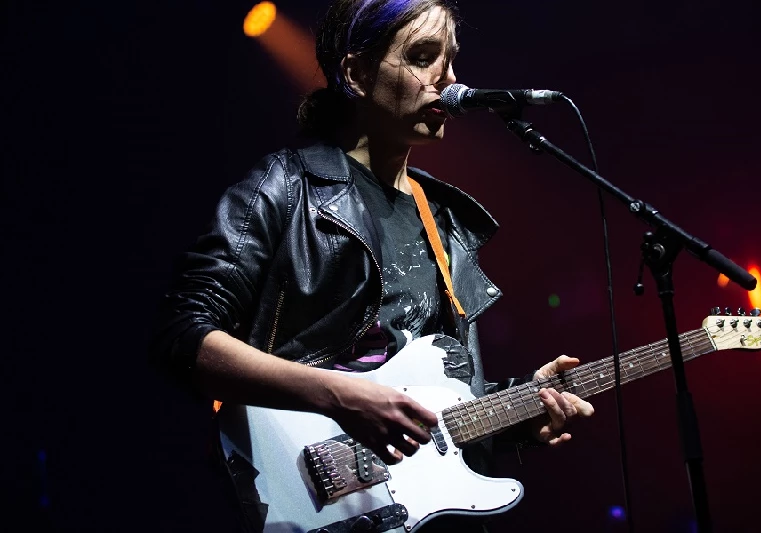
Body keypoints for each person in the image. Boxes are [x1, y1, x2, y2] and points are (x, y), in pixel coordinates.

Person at [150, 0, 594, 531]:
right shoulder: (284, 188)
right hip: (299, 498)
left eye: (451, 60)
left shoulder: (444, 219)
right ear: (357, 74)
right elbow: (181, 336)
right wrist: (339, 396)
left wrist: (519, 407)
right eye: (424, 56)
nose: (448, 80)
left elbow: (425, 401)